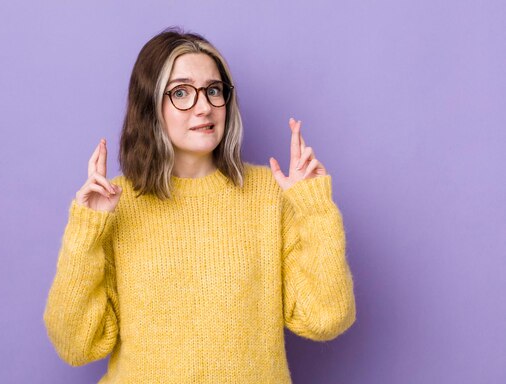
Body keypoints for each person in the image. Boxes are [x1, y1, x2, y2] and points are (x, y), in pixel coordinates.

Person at [43, 27, 356, 383]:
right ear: (150, 106)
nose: (204, 106)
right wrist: (87, 231)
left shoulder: (271, 196)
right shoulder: (114, 204)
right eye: (181, 92)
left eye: (213, 90)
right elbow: (76, 346)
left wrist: (314, 208)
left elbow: (327, 318)